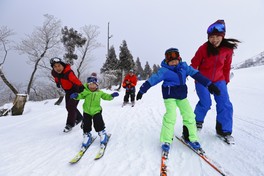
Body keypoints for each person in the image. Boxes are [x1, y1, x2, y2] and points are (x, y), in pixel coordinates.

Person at [136, 48, 220, 152]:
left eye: (175, 60)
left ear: (179, 59)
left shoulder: (184, 68)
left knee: (189, 116)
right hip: (169, 97)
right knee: (171, 116)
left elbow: (197, 75)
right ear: (167, 61)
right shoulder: (164, 71)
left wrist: (209, 84)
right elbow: (153, 80)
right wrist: (142, 90)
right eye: (171, 61)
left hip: (182, 97)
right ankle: (166, 140)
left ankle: (191, 138)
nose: (173, 62)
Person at [191, 20, 240, 144]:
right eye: (211, 37)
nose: (214, 40)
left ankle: (224, 131)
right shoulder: (203, 49)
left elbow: (226, 67)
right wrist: (196, 77)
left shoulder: (227, 50)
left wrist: (225, 81)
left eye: (217, 36)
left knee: (225, 104)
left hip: (219, 81)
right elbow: (193, 65)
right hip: (202, 80)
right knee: (205, 103)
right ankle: (197, 122)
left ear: (222, 36)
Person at [70, 76, 119, 147]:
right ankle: (87, 135)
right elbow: (80, 96)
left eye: (94, 84)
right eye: (90, 85)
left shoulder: (99, 92)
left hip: (96, 111)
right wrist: (76, 96)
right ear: (88, 85)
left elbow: (106, 96)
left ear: (97, 85)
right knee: (86, 124)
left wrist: (111, 96)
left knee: (98, 123)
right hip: (87, 111)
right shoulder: (85, 92)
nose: (92, 86)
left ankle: (102, 133)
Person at [50, 57, 84, 133]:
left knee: (71, 106)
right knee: (68, 107)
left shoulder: (68, 73)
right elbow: (56, 77)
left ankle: (70, 124)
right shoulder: (54, 73)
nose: (57, 68)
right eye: (55, 66)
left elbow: (76, 80)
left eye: (59, 66)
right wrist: (57, 83)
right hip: (68, 91)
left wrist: (82, 88)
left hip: (75, 90)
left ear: (62, 65)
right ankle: (79, 117)